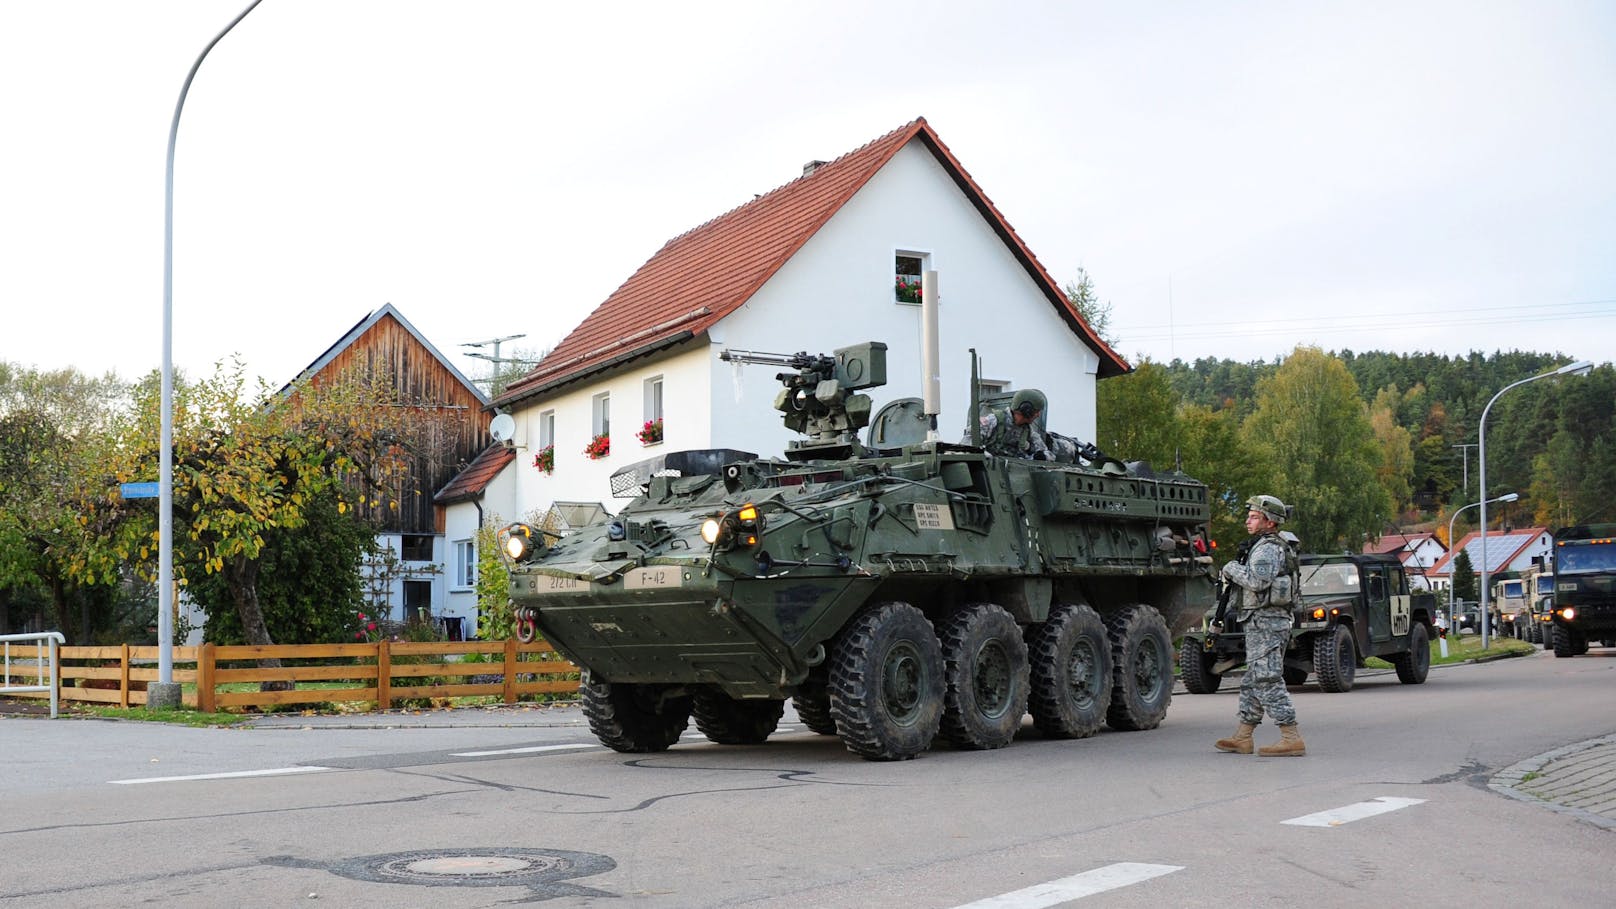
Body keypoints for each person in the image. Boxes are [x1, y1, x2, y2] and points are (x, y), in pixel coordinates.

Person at [1214, 494, 1306, 757]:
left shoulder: (1267, 548)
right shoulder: (1267, 545)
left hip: (1267, 622)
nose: (1248, 521)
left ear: (1270, 522)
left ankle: (1291, 736)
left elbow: (1257, 582)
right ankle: (1243, 736)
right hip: (1263, 620)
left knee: (1266, 677)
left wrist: (1231, 568)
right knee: (1253, 679)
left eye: (1254, 517)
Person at [978, 389, 1050, 460]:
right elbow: (969, 445)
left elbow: (1047, 454)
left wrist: (1038, 456)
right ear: (1027, 410)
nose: (1038, 415)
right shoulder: (993, 421)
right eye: (1036, 411)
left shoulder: (1027, 431)